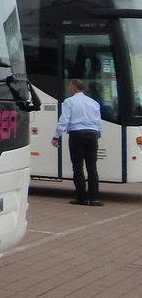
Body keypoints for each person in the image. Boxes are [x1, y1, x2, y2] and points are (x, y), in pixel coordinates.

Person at [51, 78, 103, 206]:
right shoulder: (93, 103)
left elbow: (64, 120)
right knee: (92, 167)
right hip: (92, 134)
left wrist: (56, 136)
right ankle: (95, 198)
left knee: (78, 167)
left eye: (70, 86)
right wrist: (98, 134)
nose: (69, 88)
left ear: (74, 87)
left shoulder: (69, 102)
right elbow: (98, 121)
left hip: (77, 134)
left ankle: (82, 198)